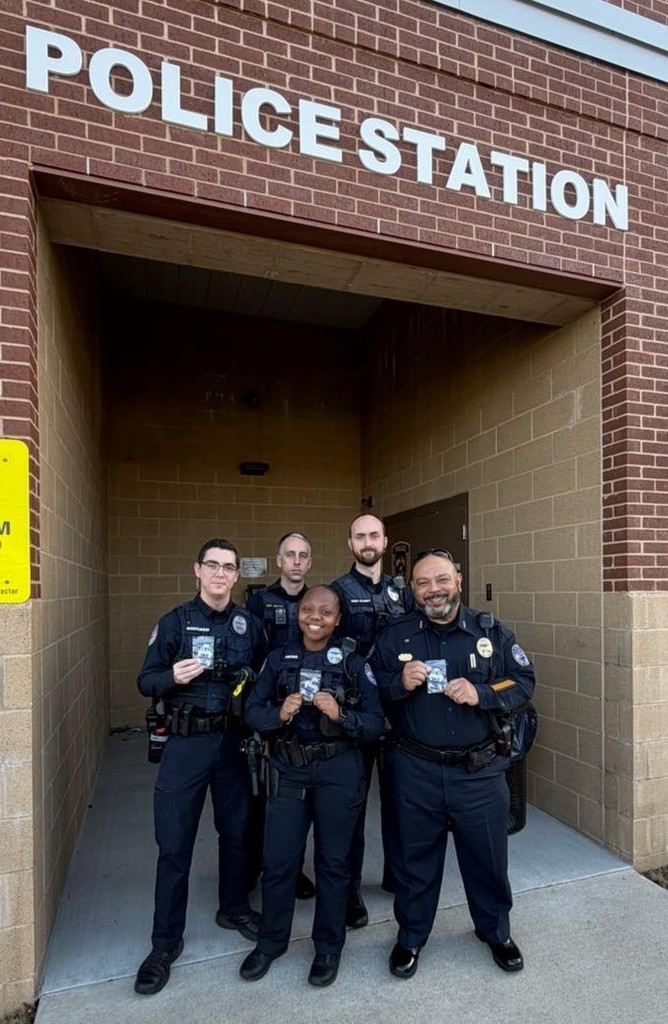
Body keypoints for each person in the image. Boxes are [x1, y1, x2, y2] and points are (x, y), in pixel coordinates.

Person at [367, 549, 535, 980]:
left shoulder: (490, 632)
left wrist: (483, 693)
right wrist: (397, 683)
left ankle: (495, 932)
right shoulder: (395, 636)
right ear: (413, 590)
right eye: (422, 583)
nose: (433, 590)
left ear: (458, 580)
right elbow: (368, 688)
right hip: (415, 770)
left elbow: (523, 681)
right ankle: (411, 938)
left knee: (488, 859)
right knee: (413, 862)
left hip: (478, 772)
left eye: (441, 580)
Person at [134, 539, 268, 996]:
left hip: (231, 744)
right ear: (197, 570)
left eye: (228, 567)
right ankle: (164, 944)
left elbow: (263, 676)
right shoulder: (175, 622)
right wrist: (173, 676)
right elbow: (145, 680)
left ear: (235, 575)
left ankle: (233, 907)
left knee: (237, 833)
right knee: (174, 844)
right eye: (211, 565)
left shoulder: (248, 625)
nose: (219, 574)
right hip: (185, 746)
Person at [239, 586, 384, 987]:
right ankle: (270, 942)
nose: (314, 616)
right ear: (298, 614)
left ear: (338, 619)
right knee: (279, 861)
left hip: (338, 770)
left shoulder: (354, 663)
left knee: (334, 864)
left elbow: (375, 724)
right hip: (288, 769)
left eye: (325, 611)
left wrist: (342, 715)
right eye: (307, 609)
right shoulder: (277, 658)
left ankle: (327, 947)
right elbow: (251, 710)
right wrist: (276, 713)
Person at [331, 513, 414, 927]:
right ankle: (348, 894)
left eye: (374, 535)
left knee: (401, 802)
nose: (368, 542)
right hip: (359, 714)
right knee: (352, 806)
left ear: (385, 541)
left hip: (400, 713)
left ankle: (398, 878)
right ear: (350, 544)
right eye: (360, 535)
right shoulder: (338, 592)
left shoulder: (403, 591)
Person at [246, 531, 316, 900]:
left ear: (309, 562)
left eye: (303, 555)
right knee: (261, 798)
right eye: (290, 554)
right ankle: (258, 865)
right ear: (279, 560)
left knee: (296, 797)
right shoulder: (259, 602)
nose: (296, 561)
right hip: (268, 711)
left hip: (306, 713)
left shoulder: (320, 600)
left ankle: (294, 870)